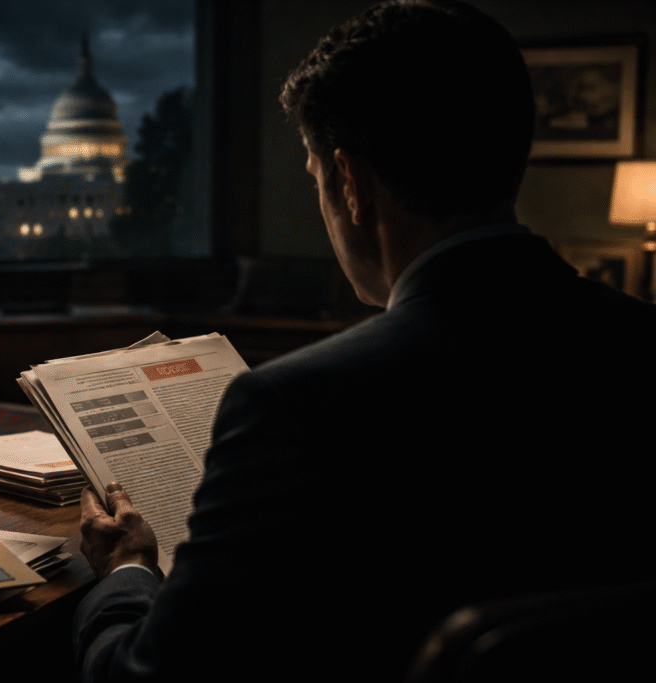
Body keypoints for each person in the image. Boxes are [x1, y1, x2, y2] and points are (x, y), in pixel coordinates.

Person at [74, 1, 656, 681]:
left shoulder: (290, 406)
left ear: (350, 184)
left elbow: (143, 676)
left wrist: (127, 570)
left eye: (316, 178)